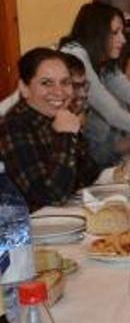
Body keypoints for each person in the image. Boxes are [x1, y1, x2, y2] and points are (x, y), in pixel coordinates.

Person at [59, 1, 130, 167]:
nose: (123, 39)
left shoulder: (99, 60)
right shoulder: (76, 54)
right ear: (97, 33)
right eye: (115, 32)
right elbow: (111, 111)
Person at [0, 48, 100, 211]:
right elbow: (52, 196)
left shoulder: (58, 117)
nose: (59, 92)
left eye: (65, 82)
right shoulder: (14, 126)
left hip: (63, 221)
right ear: (24, 88)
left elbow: (90, 174)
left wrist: (74, 134)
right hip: (31, 232)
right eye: (47, 83)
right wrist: (66, 136)